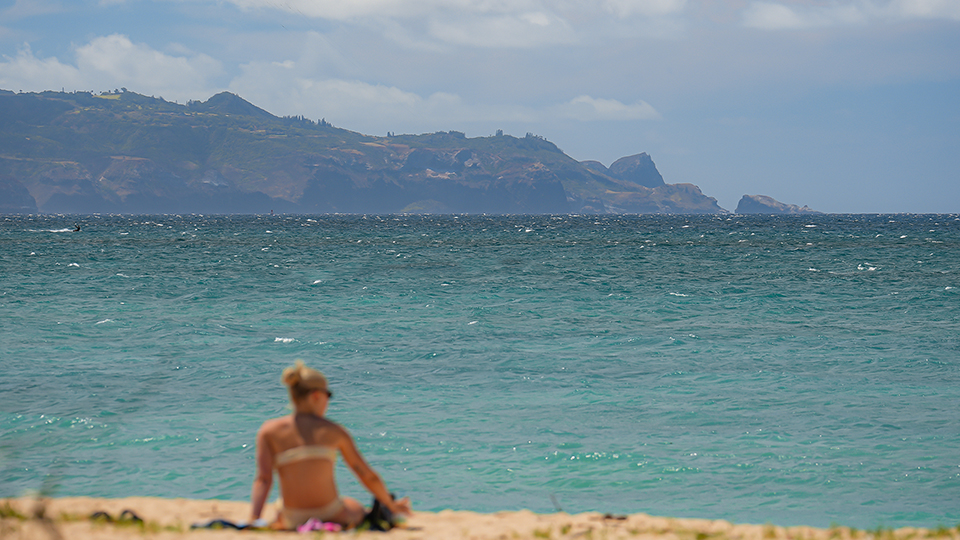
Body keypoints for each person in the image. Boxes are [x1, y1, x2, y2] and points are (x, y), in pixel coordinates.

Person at [250, 360, 411, 530]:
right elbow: (366, 475)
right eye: (329, 395)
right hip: (331, 513)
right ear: (316, 396)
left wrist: (254, 519)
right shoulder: (334, 431)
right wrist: (390, 505)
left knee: (279, 507)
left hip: (292, 516)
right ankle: (387, 509)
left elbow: (263, 479)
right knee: (353, 505)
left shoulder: (269, 431)